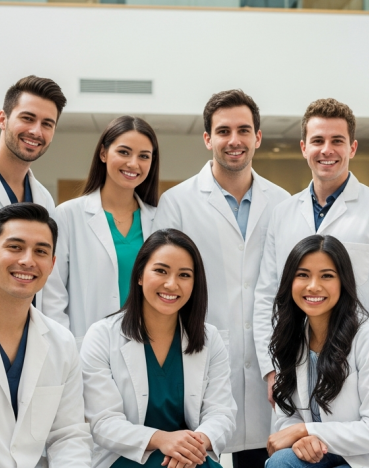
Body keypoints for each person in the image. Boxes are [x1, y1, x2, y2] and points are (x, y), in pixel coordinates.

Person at [153, 89, 290, 466]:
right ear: (207, 138)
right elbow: (164, 291)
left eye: (244, 130)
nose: (235, 140)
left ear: (258, 138)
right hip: (198, 354)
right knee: (203, 451)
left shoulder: (282, 203)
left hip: (269, 362)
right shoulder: (177, 203)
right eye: (224, 130)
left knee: (265, 455)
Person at [253, 98, 369, 405]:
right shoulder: (283, 213)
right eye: (317, 141)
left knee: (352, 447)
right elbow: (268, 295)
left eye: (337, 141)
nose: (327, 150)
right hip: (293, 361)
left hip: (357, 365)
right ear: (303, 147)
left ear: (352, 147)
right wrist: (271, 369)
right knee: (294, 448)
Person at [80, 229, 236, 468]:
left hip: (190, 459)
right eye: (161, 271)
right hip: (126, 458)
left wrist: (191, 445)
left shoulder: (209, 338)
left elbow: (221, 413)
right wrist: (163, 440)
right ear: (140, 275)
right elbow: (103, 422)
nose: (171, 284)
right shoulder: (102, 336)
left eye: (184, 275)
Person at [265, 234, 369, 468]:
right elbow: (289, 416)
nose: (313, 286)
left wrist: (306, 430)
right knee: (281, 463)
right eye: (303, 275)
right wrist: (299, 439)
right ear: (289, 282)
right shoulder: (291, 338)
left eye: (327, 276)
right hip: (321, 453)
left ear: (343, 282)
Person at [0, 203, 92, 467]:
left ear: (52, 264)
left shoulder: (62, 344)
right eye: (15, 247)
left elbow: (68, 435)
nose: (28, 260)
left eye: (40, 251)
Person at [43, 116, 159, 342]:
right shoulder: (68, 215)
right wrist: (67, 352)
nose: (133, 164)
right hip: (85, 348)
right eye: (124, 152)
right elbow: (53, 296)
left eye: (144, 156)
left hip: (146, 345)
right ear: (103, 153)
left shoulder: (159, 220)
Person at [0, 76, 66, 294]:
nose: (36, 131)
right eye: (27, 118)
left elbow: (49, 283)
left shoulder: (44, 199)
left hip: (26, 324)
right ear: (3, 119)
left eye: (47, 124)